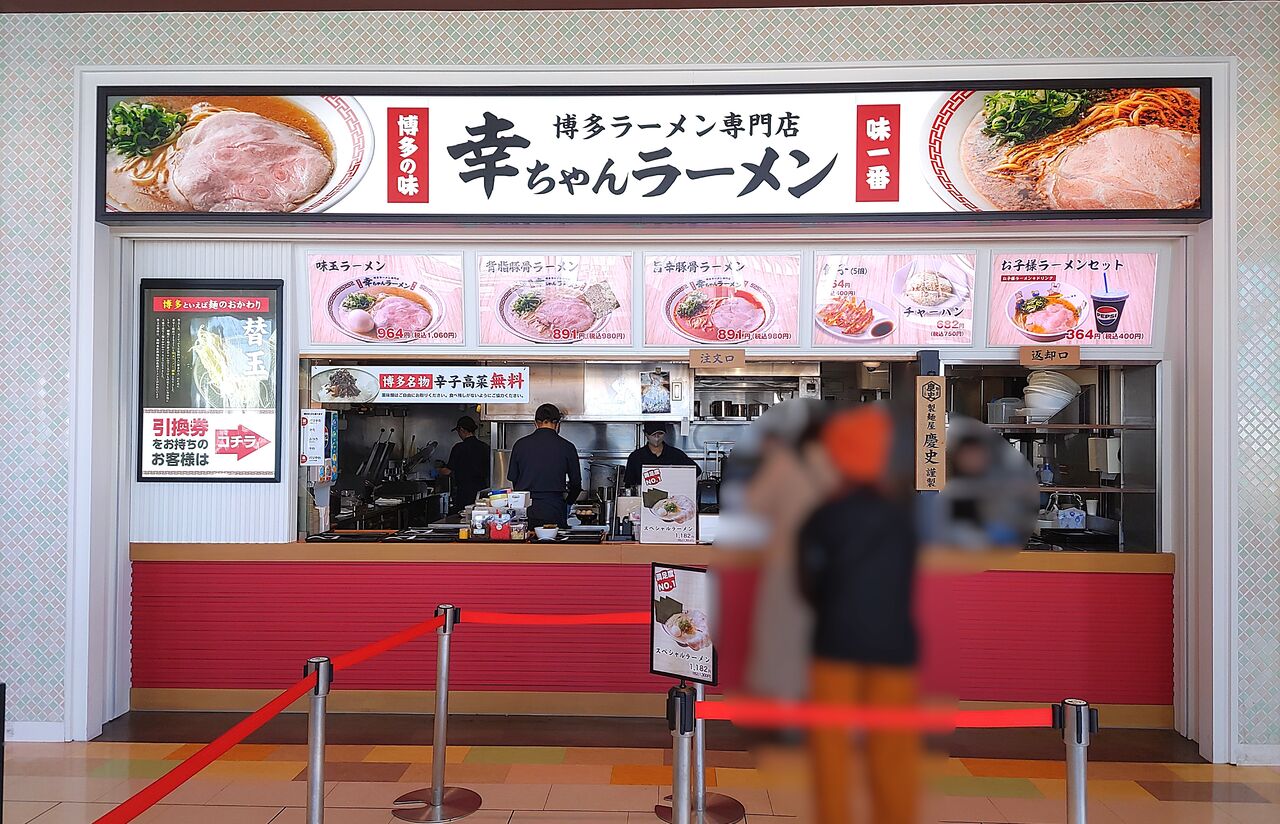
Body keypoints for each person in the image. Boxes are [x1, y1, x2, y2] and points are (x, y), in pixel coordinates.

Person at [797, 403, 921, 824]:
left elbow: (806, 584)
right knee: (892, 756)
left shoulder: (824, 517)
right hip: (895, 646)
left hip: (835, 643)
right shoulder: (902, 516)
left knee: (831, 753)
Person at [507, 403, 582, 528]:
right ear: (558, 424)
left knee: (525, 544)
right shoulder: (567, 447)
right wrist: (567, 503)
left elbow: (513, 478)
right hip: (554, 508)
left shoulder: (520, 445)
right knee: (553, 546)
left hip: (526, 509)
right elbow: (576, 484)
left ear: (535, 423)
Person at [438, 415, 490, 516]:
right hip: (482, 491)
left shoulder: (459, 448)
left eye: (458, 431)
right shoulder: (485, 447)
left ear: (462, 430)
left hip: (464, 492)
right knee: (480, 517)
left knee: (463, 517)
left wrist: (438, 470)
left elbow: (448, 471)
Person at [622, 422, 700, 487]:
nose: (657, 438)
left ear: (665, 434)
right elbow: (629, 484)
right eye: (653, 434)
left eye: (660, 434)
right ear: (645, 434)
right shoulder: (635, 457)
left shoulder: (676, 455)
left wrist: (680, 484)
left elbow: (696, 471)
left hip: (672, 502)